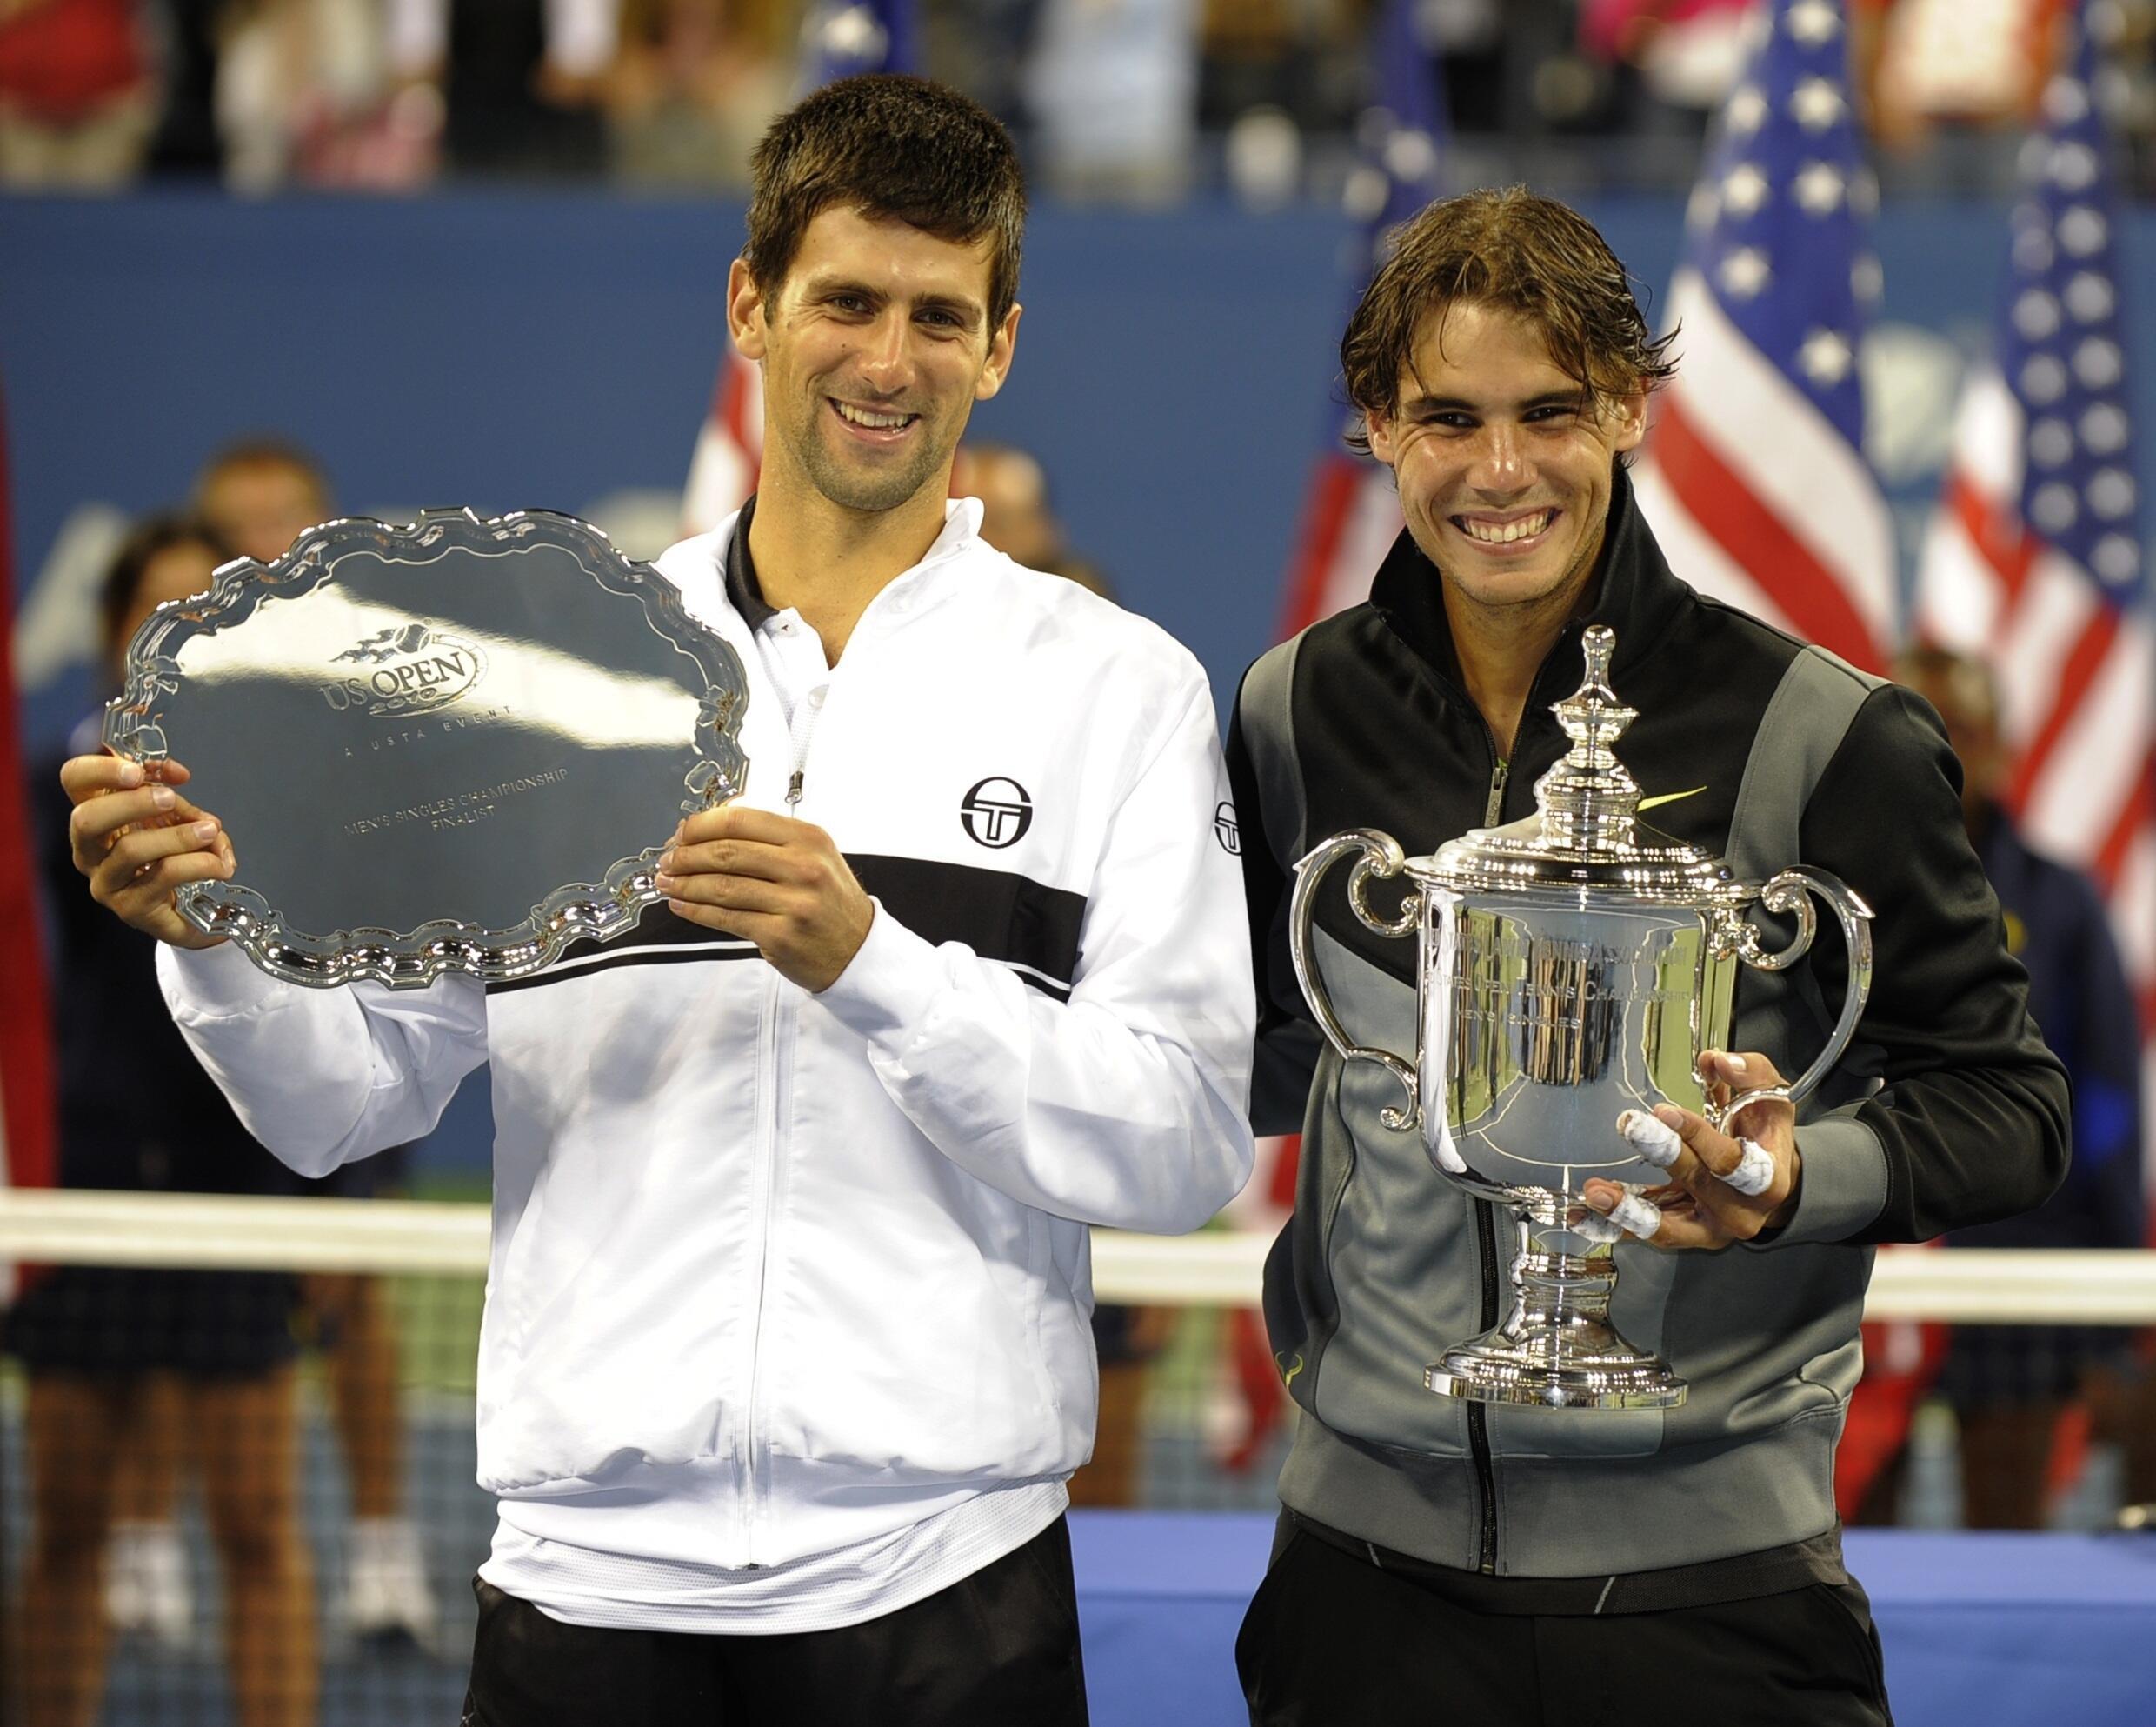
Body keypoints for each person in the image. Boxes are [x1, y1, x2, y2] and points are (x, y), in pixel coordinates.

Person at [62, 72, 1254, 1725]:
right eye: (844, 300)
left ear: (1001, 345)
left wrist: (876, 967)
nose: (888, 360)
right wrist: (212, 951)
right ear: (750, 308)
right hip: (582, 1588)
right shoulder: (550, 673)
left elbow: (1185, 1146)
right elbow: (344, 1106)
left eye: (938, 314)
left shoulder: (1121, 688)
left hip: (943, 1585)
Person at [1226, 186, 2068, 1724]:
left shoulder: (1826, 735)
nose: (1499, 472)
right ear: (1376, 423)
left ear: (1627, 404)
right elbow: (1266, 1057)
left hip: (1715, 1603)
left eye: (1550, 411)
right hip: (1358, 1594)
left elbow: (2010, 1106)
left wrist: (1791, 1176)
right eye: (1447, 417)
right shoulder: (1292, 712)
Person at [96, 438, 440, 1654]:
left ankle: (387, 1555)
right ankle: (142, 1548)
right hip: (181, 1095)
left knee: (349, 1298)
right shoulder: (137, 744)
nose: (258, 551)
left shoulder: (390, 709)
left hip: (367, 1037)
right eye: (234, 531)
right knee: (148, 1327)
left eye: (281, 526)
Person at [7, 514, 316, 1727]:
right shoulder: (44, 796)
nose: (185, 639)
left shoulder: (300, 810)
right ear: (114, 635)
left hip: (233, 1190)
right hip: (88, 1190)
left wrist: (337, 1206)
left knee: (255, 1525)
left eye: (214, 613)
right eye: (160, 614)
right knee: (67, 1527)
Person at [1858, 645, 2142, 1530]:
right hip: (1862, 1256)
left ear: (1996, 750)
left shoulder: (2059, 904)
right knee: (1843, 1546)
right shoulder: (1823, 893)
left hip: (2018, 1268)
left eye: (1958, 732)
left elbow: (2104, 1108)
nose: (1936, 753)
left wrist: (2110, 1318)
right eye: (1912, 730)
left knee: (2008, 1538)